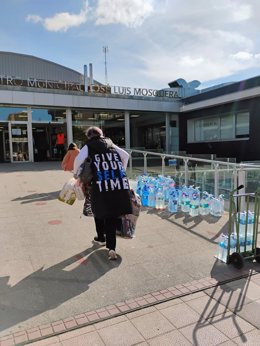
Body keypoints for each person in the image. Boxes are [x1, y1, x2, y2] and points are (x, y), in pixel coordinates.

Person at [74, 126, 132, 260]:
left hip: (99, 184)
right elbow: (125, 155)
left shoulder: (88, 146)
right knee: (111, 215)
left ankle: (101, 237)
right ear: (102, 135)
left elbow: (78, 160)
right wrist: (119, 171)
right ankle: (112, 248)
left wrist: (76, 175)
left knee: (98, 209)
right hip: (116, 183)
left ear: (89, 136)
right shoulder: (110, 143)